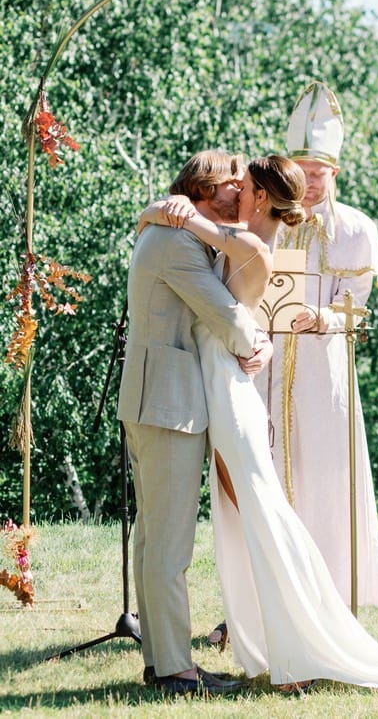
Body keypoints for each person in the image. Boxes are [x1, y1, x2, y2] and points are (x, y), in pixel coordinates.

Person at [140, 153, 378, 693]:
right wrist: (160, 214)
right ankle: (266, 644)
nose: (234, 190)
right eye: (230, 183)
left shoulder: (249, 244)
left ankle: (294, 652)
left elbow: (231, 312)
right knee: (248, 520)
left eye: (244, 185)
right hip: (214, 390)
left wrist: (172, 216)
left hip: (229, 396)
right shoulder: (233, 234)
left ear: (257, 198)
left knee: (264, 515)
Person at [117, 149, 273, 697]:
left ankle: (163, 662)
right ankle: (179, 670)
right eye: (235, 184)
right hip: (168, 405)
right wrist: (259, 345)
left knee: (154, 538)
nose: (244, 194)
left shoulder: (179, 230)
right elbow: (223, 312)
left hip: (158, 401)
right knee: (169, 544)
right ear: (207, 188)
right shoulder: (178, 241)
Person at [254, 80, 378, 611]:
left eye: (318, 174)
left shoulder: (356, 229)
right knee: (263, 480)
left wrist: (323, 317)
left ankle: (331, 599)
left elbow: (357, 308)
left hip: (321, 377)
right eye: (301, 173)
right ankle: (263, 603)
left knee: (325, 482)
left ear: (335, 172)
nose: (309, 184)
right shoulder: (267, 225)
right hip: (264, 372)